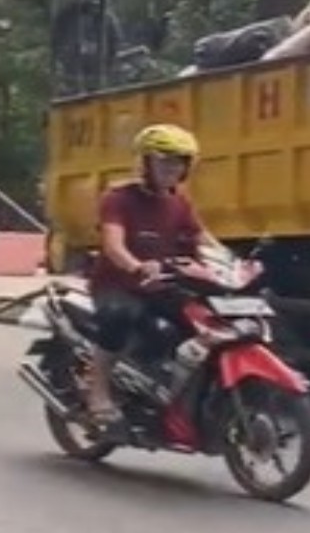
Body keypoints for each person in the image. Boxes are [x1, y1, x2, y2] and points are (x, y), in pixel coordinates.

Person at [84, 123, 222, 437]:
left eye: (179, 162)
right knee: (119, 316)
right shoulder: (118, 198)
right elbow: (113, 246)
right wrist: (136, 267)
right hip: (118, 286)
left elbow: (203, 239)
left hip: (164, 286)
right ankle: (98, 391)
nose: (172, 169)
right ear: (145, 163)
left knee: (208, 324)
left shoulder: (179, 202)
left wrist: (233, 264)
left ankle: (176, 393)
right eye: (164, 161)